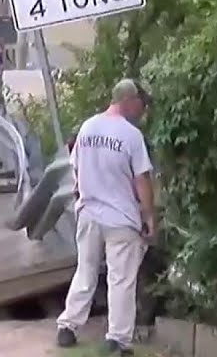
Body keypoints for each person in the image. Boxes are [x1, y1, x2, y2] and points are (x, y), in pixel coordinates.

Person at [56, 78, 154, 356]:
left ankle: (68, 326)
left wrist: (83, 193)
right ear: (130, 100)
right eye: (140, 104)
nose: (142, 110)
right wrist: (149, 217)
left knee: (85, 270)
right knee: (121, 279)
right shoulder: (131, 135)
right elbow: (142, 180)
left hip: (88, 213)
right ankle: (118, 338)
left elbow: (75, 168)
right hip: (121, 218)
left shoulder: (88, 127)